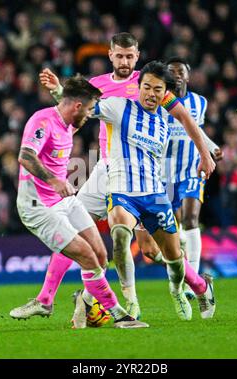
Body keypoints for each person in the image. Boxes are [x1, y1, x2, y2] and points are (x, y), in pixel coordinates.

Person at [9, 74, 149, 329]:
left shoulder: (67, 122)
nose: (89, 116)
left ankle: (45, 301)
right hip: (37, 206)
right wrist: (54, 180)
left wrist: (58, 91)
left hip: (63, 201)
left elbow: (71, 108)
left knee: (100, 254)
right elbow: (25, 156)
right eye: (88, 110)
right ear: (76, 106)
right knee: (86, 255)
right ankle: (119, 315)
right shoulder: (42, 121)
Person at [89, 61, 216, 321]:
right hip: (122, 190)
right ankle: (131, 303)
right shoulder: (119, 106)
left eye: (157, 89)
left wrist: (206, 153)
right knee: (120, 236)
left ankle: (180, 289)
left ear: (165, 93)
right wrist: (60, 93)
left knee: (166, 255)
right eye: (146, 87)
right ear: (138, 87)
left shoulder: (167, 114)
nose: (150, 93)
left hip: (155, 192)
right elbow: (87, 107)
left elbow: (188, 120)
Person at [135, 57, 223, 299]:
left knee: (192, 218)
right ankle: (185, 271)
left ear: (187, 75)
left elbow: (197, 129)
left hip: (191, 170)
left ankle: (193, 279)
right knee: (170, 230)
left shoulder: (199, 102)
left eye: (180, 71)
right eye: (171, 71)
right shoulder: (160, 100)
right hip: (162, 174)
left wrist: (211, 148)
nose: (176, 75)